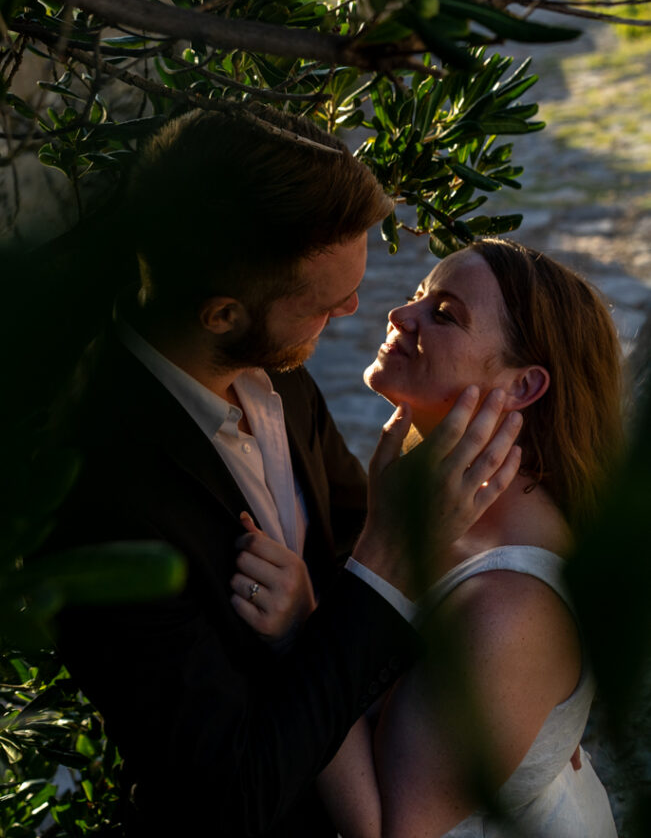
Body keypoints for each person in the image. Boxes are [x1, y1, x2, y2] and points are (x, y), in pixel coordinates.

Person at [46, 107, 523, 838]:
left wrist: (322, 611)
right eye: (327, 307)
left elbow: (342, 555)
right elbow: (232, 797)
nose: (360, 309)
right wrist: (382, 570)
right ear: (221, 315)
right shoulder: (100, 495)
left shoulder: (277, 375)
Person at [236, 238, 622, 838]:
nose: (400, 314)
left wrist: (302, 634)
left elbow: (393, 831)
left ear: (522, 388)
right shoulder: (453, 502)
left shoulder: (510, 606)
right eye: (419, 295)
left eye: (444, 314)